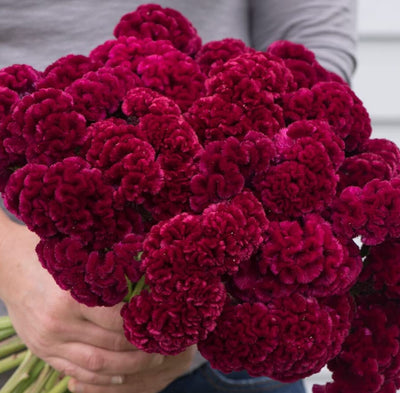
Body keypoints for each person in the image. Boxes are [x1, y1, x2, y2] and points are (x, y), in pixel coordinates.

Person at [0, 1, 357, 392]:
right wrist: (10, 264)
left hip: (226, 327)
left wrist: (187, 320)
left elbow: (314, 35)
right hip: (25, 285)